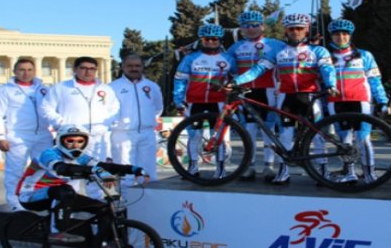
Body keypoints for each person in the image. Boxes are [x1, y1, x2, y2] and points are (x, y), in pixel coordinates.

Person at [231, 13, 336, 185]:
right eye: (291, 28)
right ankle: (283, 172)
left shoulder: (318, 50)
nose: (295, 32)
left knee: (316, 135)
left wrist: (331, 84)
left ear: (306, 29)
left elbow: (327, 70)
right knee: (285, 136)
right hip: (286, 97)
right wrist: (236, 81)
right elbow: (257, 70)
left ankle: (322, 172)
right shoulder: (278, 51)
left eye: (299, 28)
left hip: (310, 96)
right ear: (286, 30)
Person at [16, 125, 148, 243]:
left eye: (80, 141)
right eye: (70, 141)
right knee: (65, 190)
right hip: (30, 195)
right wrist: (92, 171)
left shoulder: (81, 157)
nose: (75, 145)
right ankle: (56, 231)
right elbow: (62, 168)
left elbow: (103, 166)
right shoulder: (49, 153)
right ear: (60, 141)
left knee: (103, 208)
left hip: (59, 196)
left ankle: (103, 245)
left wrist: (133, 169)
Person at [41, 56, 120, 199]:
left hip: (97, 139)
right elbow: (46, 108)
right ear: (75, 70)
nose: (88, 72)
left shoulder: (105, 89)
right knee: (72, 177)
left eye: (92, 69)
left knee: (97, 174)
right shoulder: (61, 88)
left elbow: (115, 109)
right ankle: (69, 212)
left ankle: (97, 209)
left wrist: (106, 125)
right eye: (83, 68)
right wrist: (62, 124)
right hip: (73, 140)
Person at [325, 18, 389, 183]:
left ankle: (369, 174)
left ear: (350, 35)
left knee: (363, 139)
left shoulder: (364, 55)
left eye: (345, 34)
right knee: (344, 140)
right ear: (331, 36)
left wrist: (382, 100)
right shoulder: (326, 57)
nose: (341, 37)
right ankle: (349, 173)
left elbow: (375, 80)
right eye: (337, 34)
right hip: (336, 102)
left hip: (360, 101)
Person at [227, 10, 286, 181]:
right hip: (245, 92)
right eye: (246, 26)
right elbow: (228, 69)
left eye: (254, 25)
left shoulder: (276, 44)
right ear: (241, 28)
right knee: (249, 130)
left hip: (269, 91)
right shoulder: (235, 47)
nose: (251, 29)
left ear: (262, 26)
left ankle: (269, 166)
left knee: (269, 130)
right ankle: (249, 166)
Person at [173, 24, 238, 179]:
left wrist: (233, 96)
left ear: (219, 40)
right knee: (194, 136)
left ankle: (220, 169)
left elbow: (236, 80)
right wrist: (178, 101)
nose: (210, 42)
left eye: (214, 39)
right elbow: (179, 80)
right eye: (206, 39)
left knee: (218, 136)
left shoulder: (228, 58)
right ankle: (193, 167)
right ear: (201, 40)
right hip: (195, 102)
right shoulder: (190, 58)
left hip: (219, 102)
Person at [0, 58, 53, 211]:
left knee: (46, 168)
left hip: (43, 135)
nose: (26, 73)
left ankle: (36, 198)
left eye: (29, 70)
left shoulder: (43, 89)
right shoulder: (5, 90)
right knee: (15, 171)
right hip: (18, 135)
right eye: (22, 70)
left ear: (34, 71)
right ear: (14, 71)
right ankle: (14, 203)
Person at [110, 54, 163, 185]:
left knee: (148, 172)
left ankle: (148, 203)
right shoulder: (112, 87)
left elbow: (158, 108)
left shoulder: (152, 86)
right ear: (123, 67)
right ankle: (128, 203)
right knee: (125, 174)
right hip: (122, 134)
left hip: (147, 133)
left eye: (137, 66)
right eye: (130, 66)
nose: (134, 68)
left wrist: (147, 121)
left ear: (142, 67)